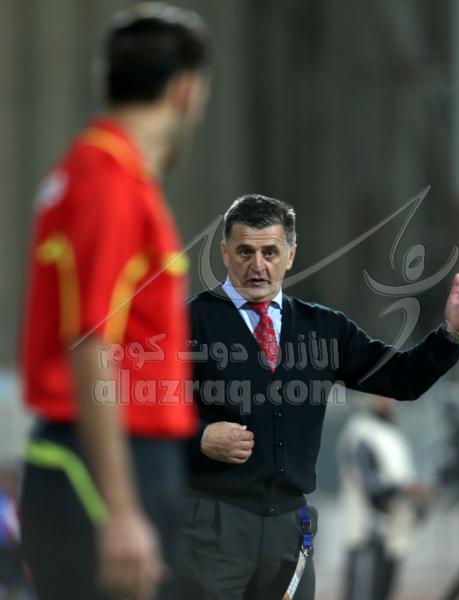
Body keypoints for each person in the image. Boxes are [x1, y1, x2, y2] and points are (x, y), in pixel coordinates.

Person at [182, 194, 459, 600]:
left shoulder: (325, 327)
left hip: (289, 531)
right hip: (214, 528)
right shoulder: (186, 323)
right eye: (245, 251)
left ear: (291, 255)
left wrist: (450, 334)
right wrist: (199, 437)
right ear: (225, 253)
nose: (258, 265)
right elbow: (139, 414)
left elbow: (402, 379)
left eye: (270, 252)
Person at [19, 4, 211, 600]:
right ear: (185, 90)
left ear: (106, 84)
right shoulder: (110, 184)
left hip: (99, 457)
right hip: (106, 465)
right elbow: (90, 341)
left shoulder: (96, 173)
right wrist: (122, 511)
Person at [337, 395, 432, 600]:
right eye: (380, 396)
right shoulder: (361, 431)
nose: (387, 400)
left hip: (392, 532)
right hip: (367, 534)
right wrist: (406, 489)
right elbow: (369, 485)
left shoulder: (391, 431)